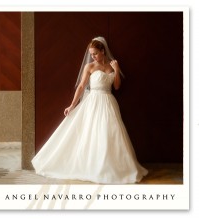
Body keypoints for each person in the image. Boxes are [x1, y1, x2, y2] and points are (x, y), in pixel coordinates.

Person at [31, 36, 148, 184]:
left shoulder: (112, 66)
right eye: (91, 54)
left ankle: (109, 168)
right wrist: (72, 105)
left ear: (103, 51)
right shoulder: (90, 67)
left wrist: (117, 70)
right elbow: (81, 86)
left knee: (110, 133)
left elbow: (117, 86)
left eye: (95, 53)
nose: (93, 56)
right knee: (91, 133)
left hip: (109, 101)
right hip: (93, 102)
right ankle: (92, 166)